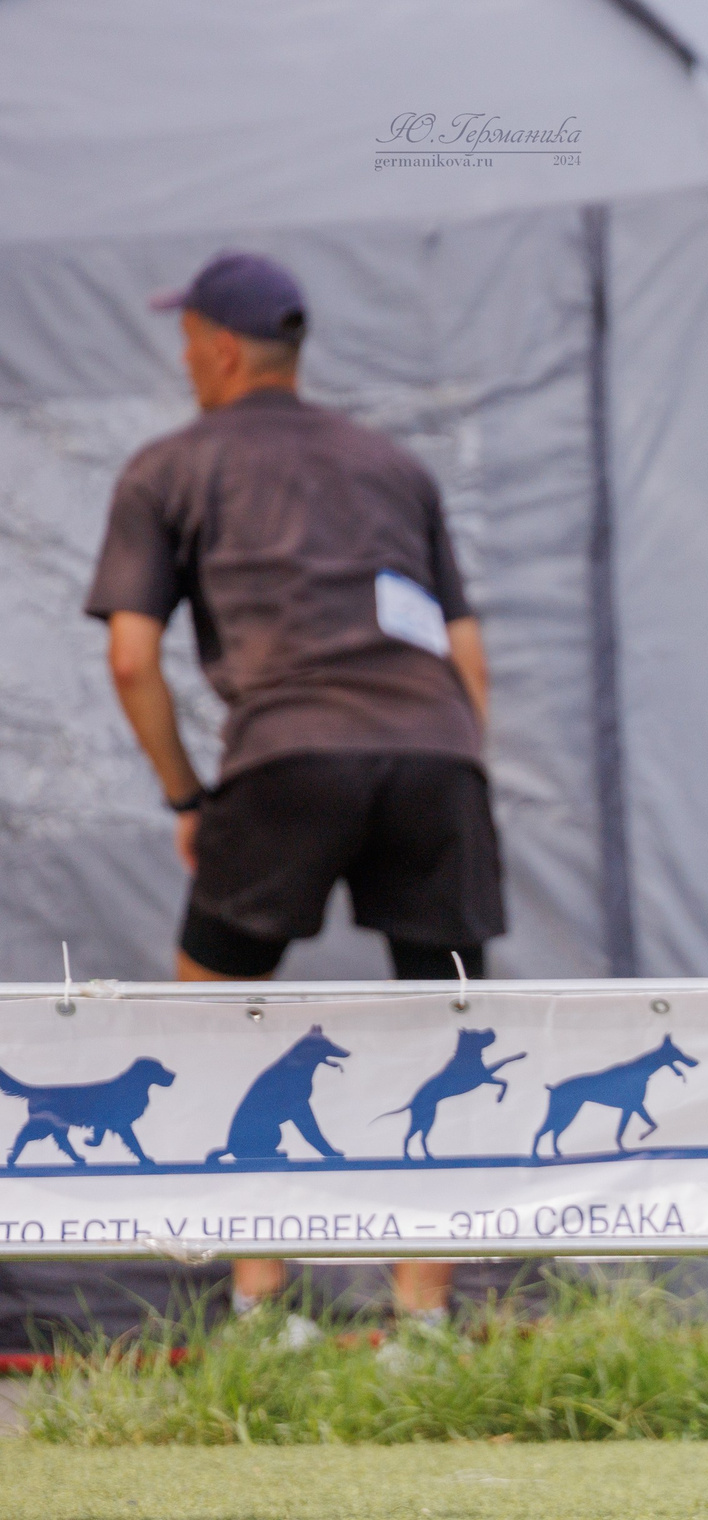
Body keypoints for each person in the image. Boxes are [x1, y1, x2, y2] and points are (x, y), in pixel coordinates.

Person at [87, 251, 506, 1327]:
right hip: (437, 752)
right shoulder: (392, 464)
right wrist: (456, 770)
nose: (185, 361)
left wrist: (189, 800)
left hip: (286, 753)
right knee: (448, 1022)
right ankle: (424, 1325)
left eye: (188, 342)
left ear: (223, 350)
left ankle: (263, 1307)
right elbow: (466, 652)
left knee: (218, 1010)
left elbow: (131, 659)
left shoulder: (167, 467)